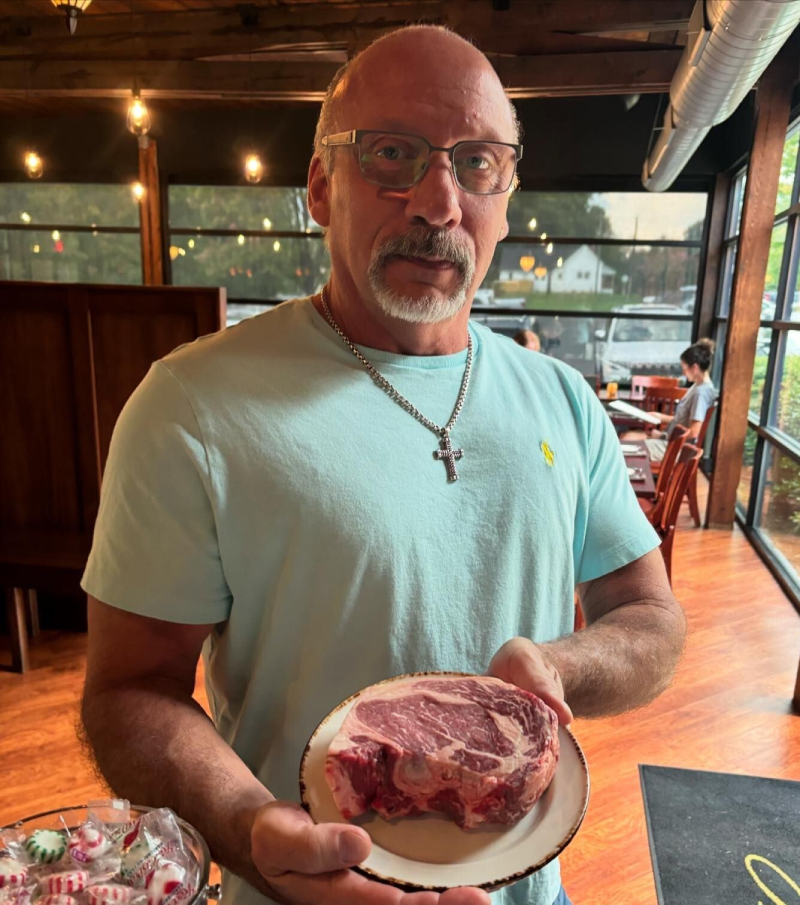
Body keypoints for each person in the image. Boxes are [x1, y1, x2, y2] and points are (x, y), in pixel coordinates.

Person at [79, 25, 686, 905]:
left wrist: (563, 666)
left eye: (477, 163)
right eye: (392, 154)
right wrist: (257, 829)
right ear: (321, 186)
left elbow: (651, 618)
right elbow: (131, 691)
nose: (438, 202)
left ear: (507, 196)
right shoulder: (191, 406)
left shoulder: (561, 400)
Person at [644, 339, 716, 462]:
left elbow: (693, 433)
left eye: (684, 368)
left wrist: (663, 435)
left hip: (676, 449)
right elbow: (684, 420)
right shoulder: (698, 387)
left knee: (632, 448)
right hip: (672, 443)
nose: (683, 372)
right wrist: (660, 416)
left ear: (694, 367)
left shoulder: (701, 393)